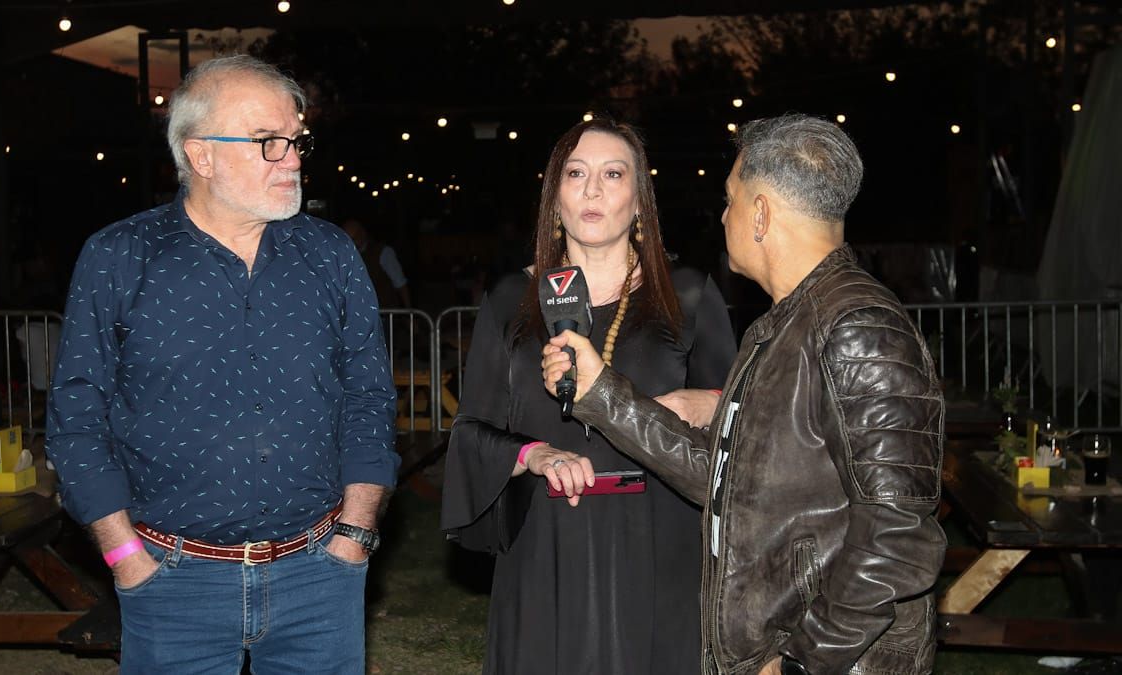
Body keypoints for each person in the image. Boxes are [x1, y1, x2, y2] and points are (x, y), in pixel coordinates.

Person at [542, 114, 946, 675]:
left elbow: (899, 536)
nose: (724, 215)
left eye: (731, 200)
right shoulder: (781, 328)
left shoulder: (858, 327)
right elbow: (729, 481)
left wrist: (803, 661)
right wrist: (603, 395)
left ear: (760, 214)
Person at [46, 55, 398, 674]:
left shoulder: (330, 253)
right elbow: (76, 419)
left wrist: (356, 535)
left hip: (320, 576)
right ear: (201, 156)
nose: (292, 158)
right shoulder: (118, 258)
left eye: (296, 140)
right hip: (170, 580)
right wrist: (126, 556)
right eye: (268, 142)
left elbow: (369, 398)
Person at [441, 117, 738, 675]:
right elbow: (472, 431)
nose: (593, 189)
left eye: (613, 173)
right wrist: (534, 455)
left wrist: (707, 402)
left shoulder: (689, 295)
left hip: (660, 540)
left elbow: (748, 416)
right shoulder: (511, 299)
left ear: (639, 199)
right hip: (546, 545)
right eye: (576, 173)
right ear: (555, 197)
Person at [342, 218, 411, 308]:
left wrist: (409, 311)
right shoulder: (344, 256)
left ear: (362, 234)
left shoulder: (383, 252)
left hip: (384, 313)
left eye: (353, 239)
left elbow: (400, 284)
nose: (351, 244)